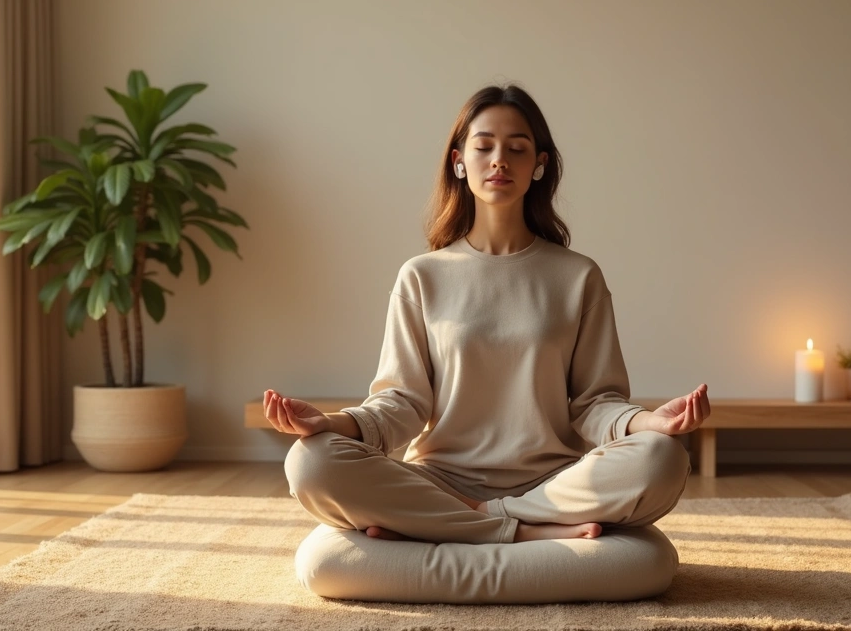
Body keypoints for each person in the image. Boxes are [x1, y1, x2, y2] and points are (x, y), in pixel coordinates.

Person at [264, 84, 710, 546]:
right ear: (459, 161)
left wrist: (652, 423)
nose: (500, 160)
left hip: (555, 486)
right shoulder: (422, 276)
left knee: (663, 458)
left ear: (539, 165)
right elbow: (402, 404)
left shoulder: (579, 276)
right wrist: (329, 425)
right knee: (309, 462)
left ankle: (470, 523)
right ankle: (524, 533)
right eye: (484, 147)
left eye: (517, 149)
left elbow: (595, 404)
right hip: (442, 483)